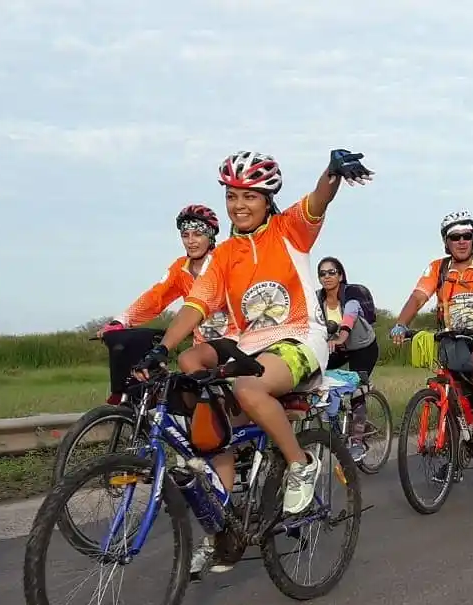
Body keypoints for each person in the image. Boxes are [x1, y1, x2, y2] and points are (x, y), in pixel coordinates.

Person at [134, 147, 373, 576]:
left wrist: (331, 172)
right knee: (192, 363)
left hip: (298, 339)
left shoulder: (289, 230)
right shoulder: (224, 255)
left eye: (249, 196)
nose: (239, 205)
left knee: (247, 387)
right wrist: (161, 349)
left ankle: (300, 463)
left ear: (267, 200)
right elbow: (195, 306)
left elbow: (319, 200)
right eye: (231, 196)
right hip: (247, 342)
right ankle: (221, 523)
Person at [391, 209, 473, 441]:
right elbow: (419, 297)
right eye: (455, 237)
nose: (461, 241)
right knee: (450, 388)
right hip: (454, 335)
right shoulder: (438, 268)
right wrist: (401, 323)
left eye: (466, 236)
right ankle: (452, 453)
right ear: (446, 242)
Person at [97, 205, 231, 404]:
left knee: (216, 400)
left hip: (235, 340)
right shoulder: (180, 268)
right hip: (202, 346)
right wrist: (121, 320)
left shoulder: (225, 261)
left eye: (198, 234)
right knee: (183, 399)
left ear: (210, 236)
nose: (191, 241)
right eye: (185, 235)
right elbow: (156, 297)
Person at [317, 256, 377, 461]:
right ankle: (334, 425)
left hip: (362, 346)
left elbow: (351, 313)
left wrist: (342, 335)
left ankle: (358, 443)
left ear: (340, 275)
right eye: (322, 273)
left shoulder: (351, 294)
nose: (327, 277)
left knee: (356, 391)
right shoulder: (318, 300)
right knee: (317, 378)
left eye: (331, 272)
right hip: (338, 348)